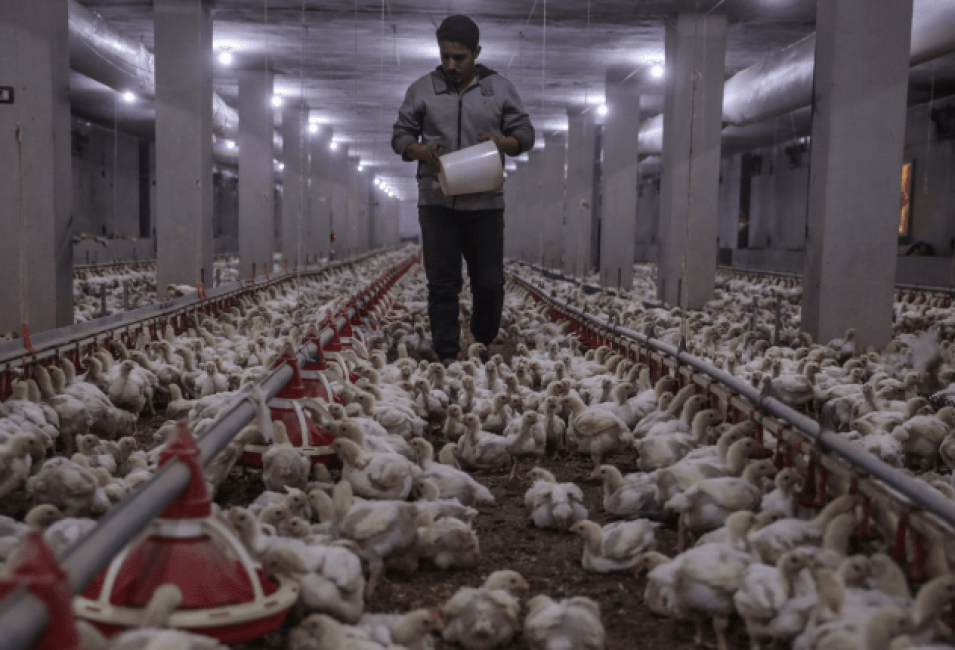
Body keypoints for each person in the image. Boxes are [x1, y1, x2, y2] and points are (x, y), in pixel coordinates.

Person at [392, 14, 535, 364]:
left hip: (485, 202)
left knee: (489, 282)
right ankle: (446, 353)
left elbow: (525, 134)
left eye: (459, 57)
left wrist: (502, 143)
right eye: (445, 57)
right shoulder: (422, 89)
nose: (451, 64)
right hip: (436, 201)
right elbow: (400, 136)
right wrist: (421, 151)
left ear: (477, 53)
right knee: (442, 283)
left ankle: (481, 344)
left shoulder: (499, 88)